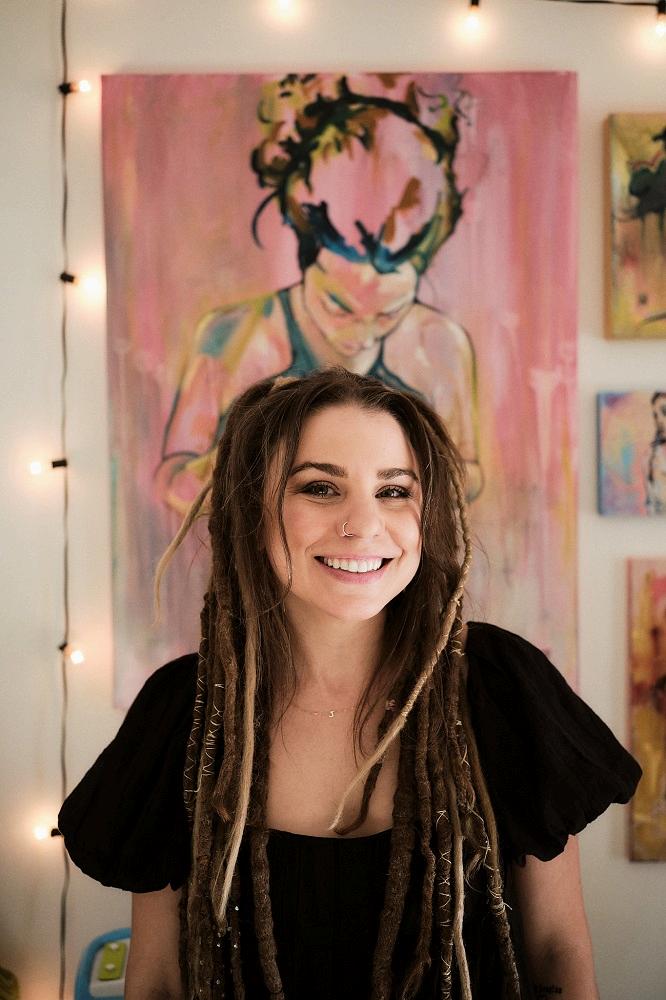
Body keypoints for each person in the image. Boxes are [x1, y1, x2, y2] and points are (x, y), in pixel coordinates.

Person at [59, 368, 641, 999]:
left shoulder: (501, 687)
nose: (364, 525)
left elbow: (558, 954)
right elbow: (158, 979)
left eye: (393, 491)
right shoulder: (185, 711)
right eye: (320, 487)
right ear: (250, 511)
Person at [156, 74, 482, 515]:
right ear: (306, 263)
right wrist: (254, 449)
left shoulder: (440, 344)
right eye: (339, 307)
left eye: (388, 314)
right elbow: (175, 484)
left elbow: (468, 477)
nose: (361, 336)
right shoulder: (232, 337)